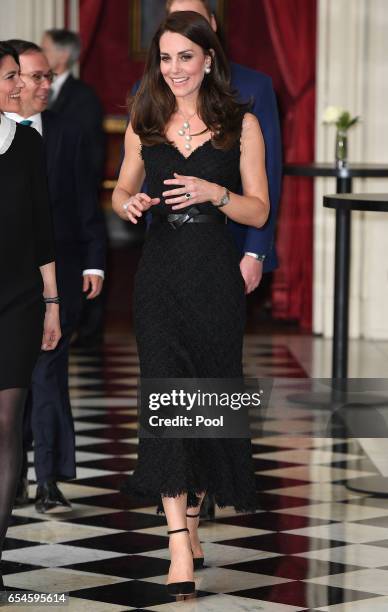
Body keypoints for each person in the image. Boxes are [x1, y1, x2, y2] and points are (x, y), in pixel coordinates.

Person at [112, 11, 269, 596]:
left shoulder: (239, 125)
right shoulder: (144, 119)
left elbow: (258, 211)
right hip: (158, 279)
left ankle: (195, 521)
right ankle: (177, 539)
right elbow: (123, 186)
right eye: (164, 57)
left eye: (185, 56)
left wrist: (214, 192)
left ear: (208, 58)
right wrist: (125, 203)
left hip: (213, 281)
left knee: (204, 399)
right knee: (165, 395)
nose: (173, 69)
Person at [5, 40, 106, 514]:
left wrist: (93, 261)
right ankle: (14, 475)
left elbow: (85, 201)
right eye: (35, 77)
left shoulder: (65, 131)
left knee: (48, 377)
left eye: (49, 77)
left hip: (53, 278)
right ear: (14, 79)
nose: (46, 86)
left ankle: (49, 480)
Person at [0, 42, 61, 591]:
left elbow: (44, 230)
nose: (20, 85)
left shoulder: (26, 143)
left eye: (21, 76)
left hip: (18, 300)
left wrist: (52, 304)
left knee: (4, 423)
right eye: (9, 76)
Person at [41, 28, 106, 349]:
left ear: (63, 56)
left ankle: (88, 331)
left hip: (71, 203)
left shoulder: (84, 97)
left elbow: (92, 154)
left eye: (46, 48)